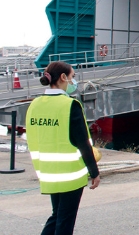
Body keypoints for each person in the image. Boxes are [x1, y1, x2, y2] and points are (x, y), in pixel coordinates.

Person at [26, 61, 100, 235]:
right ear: (63, 77)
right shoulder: (70, 106)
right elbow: (83, 143)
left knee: (57, 215)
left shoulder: (35, 105)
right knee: (65, 221)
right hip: (70, 174)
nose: (73, 82)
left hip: (48, 172)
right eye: (72, 77)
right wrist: (94, 172)